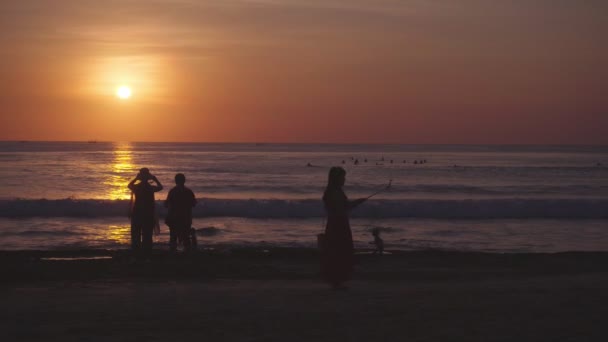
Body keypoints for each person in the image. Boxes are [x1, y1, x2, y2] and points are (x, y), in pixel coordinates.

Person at [320, 167, 367, 290]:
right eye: (342, 177)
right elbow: (340, 208)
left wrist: (357, 202)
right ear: (336, 178)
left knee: (337, 251)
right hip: (338, 223)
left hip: (337, 222)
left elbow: (342, 207)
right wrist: (356, 203)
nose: (344, 180)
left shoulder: (333, 191)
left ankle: (337, 280)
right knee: (339, 250)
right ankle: (337, 280)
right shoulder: (334, 192)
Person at [128, 168, 163, 257]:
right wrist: (155, 179)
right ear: (148, 177)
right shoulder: (150, 188)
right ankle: (146, 254)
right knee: (147, 235)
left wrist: (136, 179)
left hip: (137, 213)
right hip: (148, 214)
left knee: (136, 235)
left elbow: (129, 185)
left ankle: (137, 254)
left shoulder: (137, 187)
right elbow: (160, 187)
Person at [164, 173, 197, 252]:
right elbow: (194, 203)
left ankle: (173, 252)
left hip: (174, 217)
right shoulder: (188, 191)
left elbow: (166, 204)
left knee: (173, 237)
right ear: (184, 181)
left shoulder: (172, 191)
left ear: (175, 181)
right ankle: (187, 253)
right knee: (186, 237)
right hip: (186, 217)